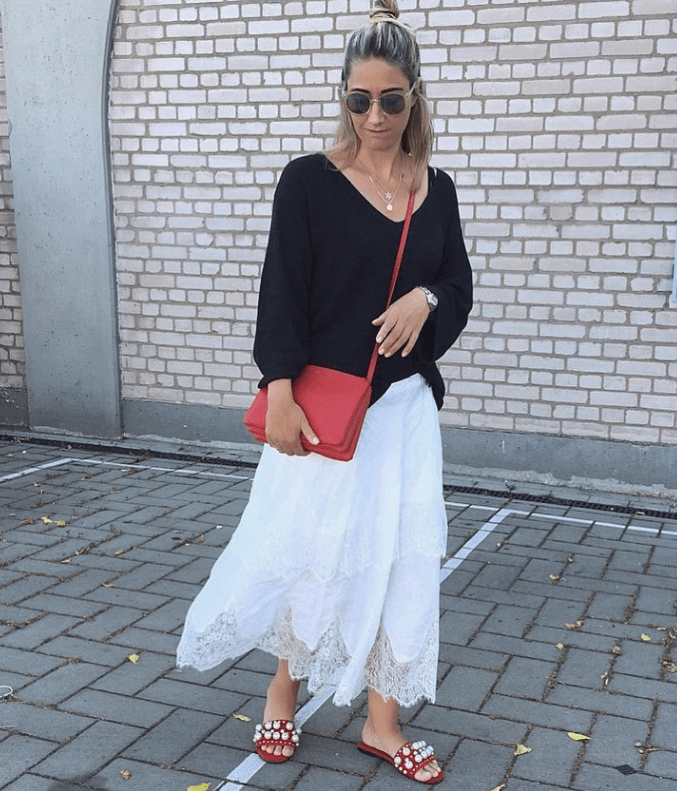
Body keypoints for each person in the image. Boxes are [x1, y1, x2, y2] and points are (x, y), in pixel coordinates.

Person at [176, 0, 472, 784]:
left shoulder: (435, 188)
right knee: (316, 553)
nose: (374, 116)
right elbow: (282, 290)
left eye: (391, 100)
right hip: (322, 412)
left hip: (403, 412)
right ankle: (283, 691)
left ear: (414, 98)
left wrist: (427, 299)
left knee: (402, 562)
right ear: (343, 97)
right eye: (359, 99)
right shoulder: (308, 181)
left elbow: (457, 283)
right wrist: (277, 387)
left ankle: (382, 719)